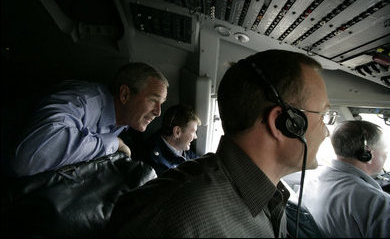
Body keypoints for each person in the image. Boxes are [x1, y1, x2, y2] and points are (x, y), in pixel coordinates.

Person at [106, 49, 331, 237]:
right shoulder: (172, 217)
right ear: (284, 123)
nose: (326, 131)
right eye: (323, 116)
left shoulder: (272, 198)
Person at [9, 62, 169, 177]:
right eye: (153, 100)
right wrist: (115, 143)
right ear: (125, 94)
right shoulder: (83, 100)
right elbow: (26, 159)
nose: (158, 112)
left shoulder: (125, 122)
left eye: (161, 104)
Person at [301, 120, 390, 238]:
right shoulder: (381, 205)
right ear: (367, 154)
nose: (386, 155)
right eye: (385, 151)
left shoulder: (313, 179)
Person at [144, 103, 201, 176]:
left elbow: (198, 161)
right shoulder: (156, 162)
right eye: (193, 132)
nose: (195, 137)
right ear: (177, 132)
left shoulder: (181, 145)